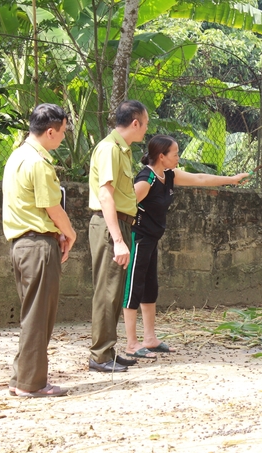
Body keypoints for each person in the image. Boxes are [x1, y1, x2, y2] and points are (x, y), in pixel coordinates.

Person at [123, 134, 249, 358]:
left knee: (150, 287)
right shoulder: (146, 180)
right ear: (161, 156)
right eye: (175, 154)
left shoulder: (168, 175)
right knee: (134, 288)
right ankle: (131, 343)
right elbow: (125, 205)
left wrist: (231, 179)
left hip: (153, 238)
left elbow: (199, 178)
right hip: (139, 238)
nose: (178, 158)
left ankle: (150, 338)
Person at [2, 104, 77, 397]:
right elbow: (51, 206)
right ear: (49, 132)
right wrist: (70, 233)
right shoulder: (38, 162)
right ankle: (31, 384)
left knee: (31, 313)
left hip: (21, 245)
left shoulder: (17, 156)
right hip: (38, 245)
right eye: (61, 133)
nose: (62, 138)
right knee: (39, 315)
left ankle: (21, 377)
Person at [87, 100, 148, 372]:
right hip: (110, 226)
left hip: (120, 224)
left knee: (114, 292)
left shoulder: (123, 151)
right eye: (145, 124)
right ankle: (100, 355)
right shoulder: (110, 149)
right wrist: (118, 240)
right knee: (107, 291)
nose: (146, 130)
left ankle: (107, 350)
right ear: (135, 123)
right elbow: (105, 195)